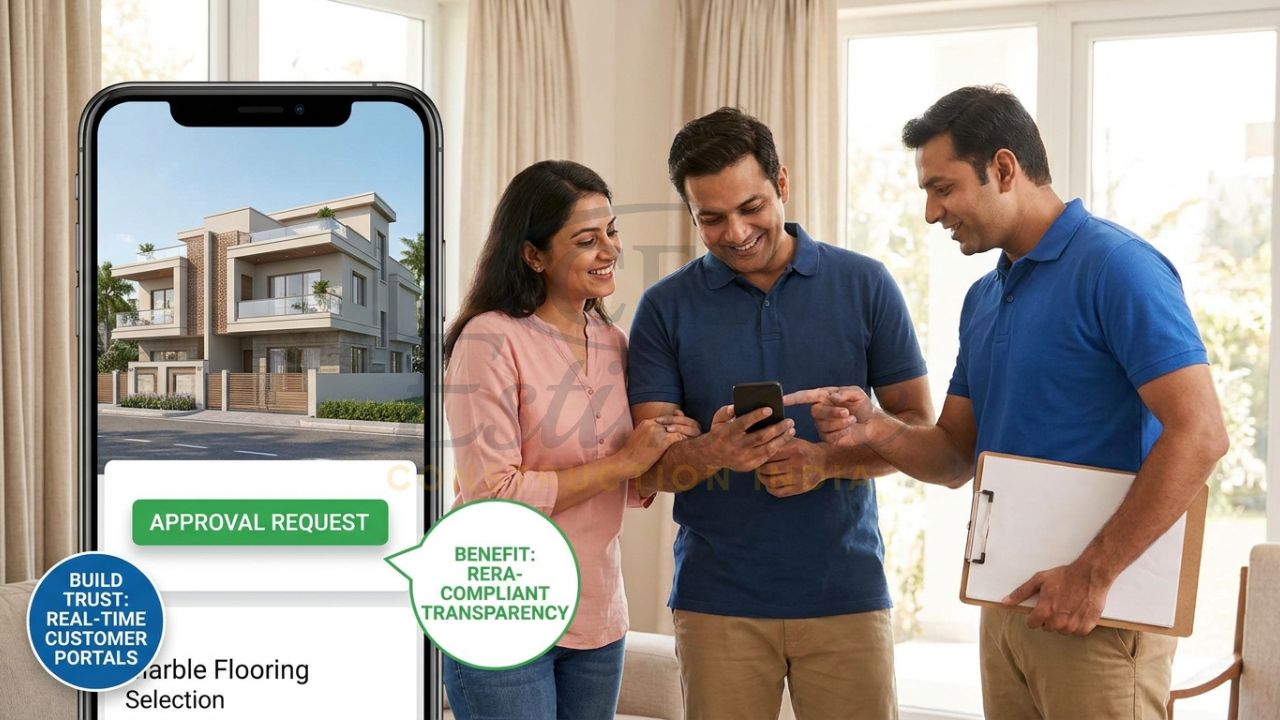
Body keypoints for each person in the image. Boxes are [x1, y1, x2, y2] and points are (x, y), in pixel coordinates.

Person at [806, 85, 1229, 719]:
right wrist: (876, 428)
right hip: (1006, 609)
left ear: (1004, 168)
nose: (931, 213)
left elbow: (1200, 433)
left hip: (1101, 614)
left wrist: (1093, 574)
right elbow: (955, 456)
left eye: (943, 188)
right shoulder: (983, 298)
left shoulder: (1118, 267)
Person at [626, 107, 935, 720]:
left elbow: (921, 433)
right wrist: (713, 452)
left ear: (782, 183)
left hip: (846, 593)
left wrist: (827, 462)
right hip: (717, 602)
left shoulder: (866, 284)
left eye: (751, 207)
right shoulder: (664, 308)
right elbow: (647, 471)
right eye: (711, 218)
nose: (736, 232)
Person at [442, 160, 701, 720]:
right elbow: (493, 498)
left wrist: (670, 443)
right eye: (587, 240)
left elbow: (623, 481)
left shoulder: (614, 342)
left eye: (612, 231)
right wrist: (624, 463)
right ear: (533, 255)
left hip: (596, 613)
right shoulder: (488, 340)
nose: (610, 250)